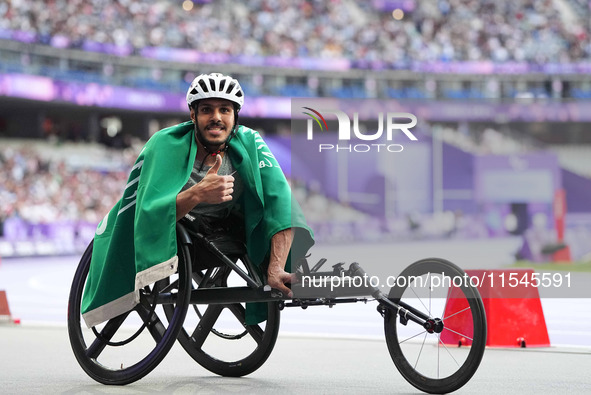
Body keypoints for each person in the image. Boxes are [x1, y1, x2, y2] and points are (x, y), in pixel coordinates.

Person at [81, 73, 314, 328]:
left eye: (224, 109)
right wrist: (198, 193)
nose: (216, 117)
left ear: (235, 117)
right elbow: (148, 212)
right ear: (193, 115)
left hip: (226, 227)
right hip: (174, 230)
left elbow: (281, 204)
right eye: (206, 110)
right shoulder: (164, 143)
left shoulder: (251, 143)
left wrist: (276, 268)